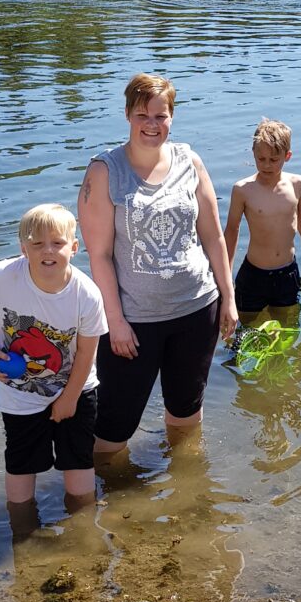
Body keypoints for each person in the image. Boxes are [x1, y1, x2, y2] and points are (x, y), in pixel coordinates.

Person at [78, 73, 237, 454]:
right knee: (113, 430)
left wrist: (228, 298)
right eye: (142, 115)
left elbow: (214, 237)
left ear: (172, 117)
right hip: (134, 322)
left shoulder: (189, 161)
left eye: (161, 116)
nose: (152, 125)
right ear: (128, 114)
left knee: (186, 414)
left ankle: (187, 492)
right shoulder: (104, 171)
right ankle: (106, 503)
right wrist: (114, 322)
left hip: (197, 309)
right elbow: (98, 255)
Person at [0, 204, 107, 505]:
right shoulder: (1, 276)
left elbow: (86, 352)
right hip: (18, 392)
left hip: (77, 386)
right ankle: (22, 529)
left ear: (73, 247)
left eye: (57, 243)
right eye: (37, 244)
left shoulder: (87, 294)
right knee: (21, 462)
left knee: (78, 460)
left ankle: (83, 530)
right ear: (23, 249)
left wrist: (69, 398)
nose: (48, 251)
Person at [224, 118, 301, 323]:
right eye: (261, 158)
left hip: (287, 275)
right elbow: (231, 232)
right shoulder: (243, 190)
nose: (266, 165)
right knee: (244, 332)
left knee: (287, 329)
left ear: (287, 156)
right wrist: (225, 277)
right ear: (253, 153)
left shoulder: (297, 185)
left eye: (274, 159)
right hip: (253, 276)